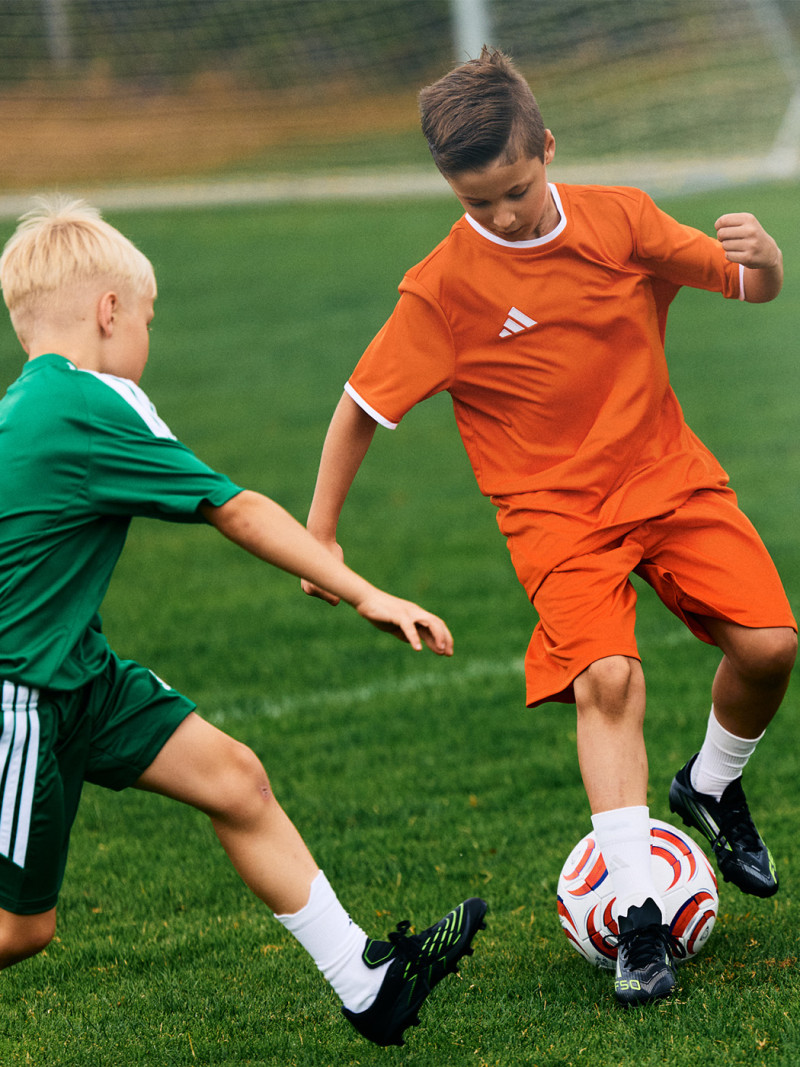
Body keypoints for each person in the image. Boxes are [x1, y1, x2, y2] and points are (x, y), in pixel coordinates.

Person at [301, 47, 796, 1007]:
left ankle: (712, 780)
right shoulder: (441, 288)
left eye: (516, 192)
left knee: (772, 647)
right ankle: (640, 925)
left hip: (668, 476)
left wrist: (768, 262)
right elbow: (360, 405)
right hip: (554, 517)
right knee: (607, 679)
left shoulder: (623, 219)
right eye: (474, 200)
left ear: (548, 150)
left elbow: (749, 287)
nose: (500, 217)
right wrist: (321, 535)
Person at [0, 196, 487, 1048]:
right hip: (22, 697)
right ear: (110, 312)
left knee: (236, 779)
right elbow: (234, 506)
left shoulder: (35, 405)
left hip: (78, 670)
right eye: (148, 317)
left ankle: (365, 984)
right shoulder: (91, 400)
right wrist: (363, 588)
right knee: (19, 929)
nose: (148, 339)